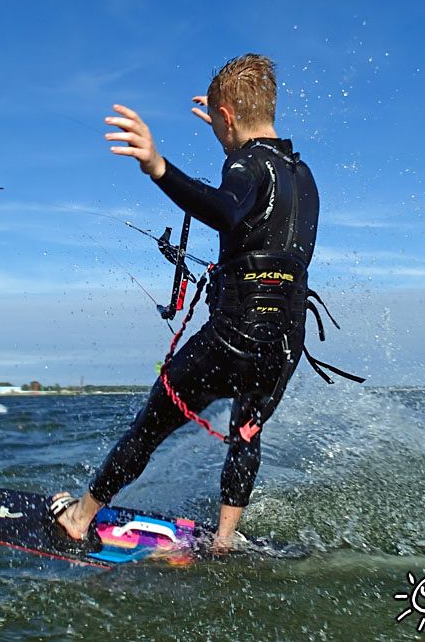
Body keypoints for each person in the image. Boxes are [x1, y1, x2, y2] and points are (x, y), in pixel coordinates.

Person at [51, 54, 323, 551]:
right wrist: (229, 134)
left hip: (234, 337)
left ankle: (81, 515)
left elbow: (226, 207)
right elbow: (257, 197)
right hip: (285, 341)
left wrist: (158, 167)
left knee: (151, 423)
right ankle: (224, 539)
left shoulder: (244, 165)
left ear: (227, 117)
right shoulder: (302, 176)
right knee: (246, 430)